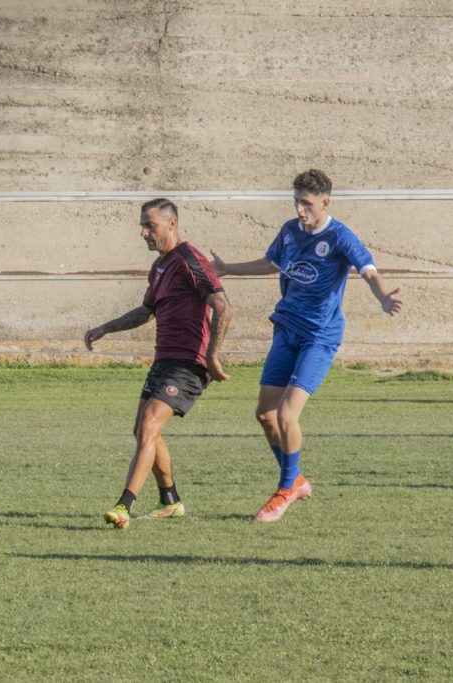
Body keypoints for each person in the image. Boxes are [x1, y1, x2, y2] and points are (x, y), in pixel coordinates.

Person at [211, 169, 403, 522]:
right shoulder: (288, 231)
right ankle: (296, 479)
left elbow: (368, 270)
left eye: (307, 203)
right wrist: (228, 269)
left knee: (287, 414)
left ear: (325, 202)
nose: (300, 209)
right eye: (296, 201)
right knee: (265, 415)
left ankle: (285, 489)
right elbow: (271, 263)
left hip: (319, 336)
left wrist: (382, 296)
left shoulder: (340, 236)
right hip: (286, 329)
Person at [85, 198, 233, 529]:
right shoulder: (161, 266)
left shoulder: (190, 260)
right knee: (142, 430)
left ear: (171, 224)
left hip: (188, 364)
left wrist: (212, 355)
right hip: (164, 360)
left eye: (149, 225)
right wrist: (106, 327)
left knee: (150, 425)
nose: (143, 233)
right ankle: (170, 500)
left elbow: (223, 306)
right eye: (142, 226)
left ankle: (124, 506)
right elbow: (145, 311)